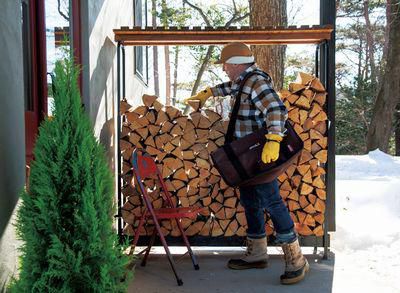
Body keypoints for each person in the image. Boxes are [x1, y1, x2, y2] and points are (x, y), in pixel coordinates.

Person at [184, 42, 309, 285]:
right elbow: (231, 88)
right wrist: (209, 93)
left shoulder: (255, 80)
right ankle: (257, 253)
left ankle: (297, 260)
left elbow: (275, 109)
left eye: (226, 65)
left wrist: (274, 138)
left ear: (237, 63)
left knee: (272, 201)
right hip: (247, 158)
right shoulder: (244, 81)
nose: (224, 69)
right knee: (250, 201)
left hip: (260, 156)